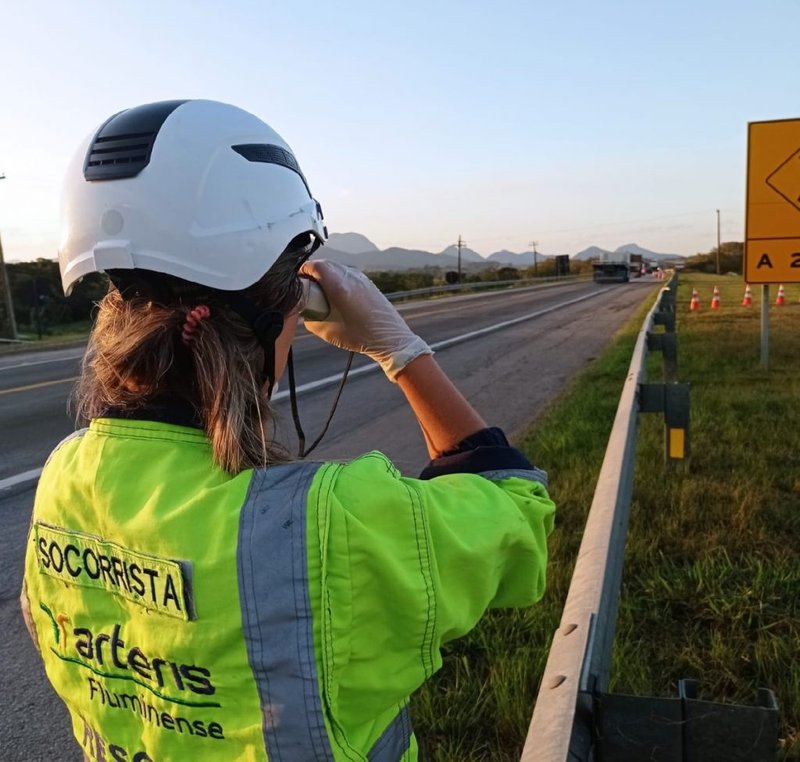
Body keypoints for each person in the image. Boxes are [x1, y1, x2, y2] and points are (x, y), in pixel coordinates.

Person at [21, 99, 555, 762]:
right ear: (279, 308)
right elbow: (520, 517)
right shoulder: (329, 524)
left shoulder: (64, 477)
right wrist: (400, 350)